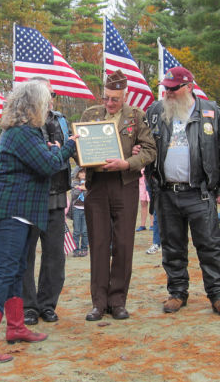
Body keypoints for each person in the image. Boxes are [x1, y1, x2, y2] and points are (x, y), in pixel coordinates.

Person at [0, 80, 77, 363]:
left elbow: (43, 160)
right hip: (12, 211)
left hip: (24, 212)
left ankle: (16, 327)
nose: (50, 105)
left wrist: (55, 151)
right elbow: (47, 165)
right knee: (6, 272)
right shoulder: (21, 133)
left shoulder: (23, 133)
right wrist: (68, 147)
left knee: (17, 270)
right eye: (47, 101)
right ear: (34, 105)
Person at [146, 66, 220, 316]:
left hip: (200, 192)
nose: (168, 93)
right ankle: (177, 292)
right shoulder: (155, 112)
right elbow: (144, 148)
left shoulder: (211, 112)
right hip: (166, 192)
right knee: (172, 246)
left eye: (173, 89)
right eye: (165, 88)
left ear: (189, 87)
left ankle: (218, 295)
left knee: (210, 246)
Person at [80, 69, 156, 321]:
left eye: (115, 98)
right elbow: (78, 148)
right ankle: (98, 303)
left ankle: (118, 300)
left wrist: (129, 163)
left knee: (123, 244)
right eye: (106, 98)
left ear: (125, 96)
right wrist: (82, 158)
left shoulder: (137, 116)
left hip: (125, 184)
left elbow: (149, 149)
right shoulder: (90, 115)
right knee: (99, 243)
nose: (109, 103)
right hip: (97, 185)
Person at [21, 76, 74, 326]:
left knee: (55, 256)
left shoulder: (61, 120)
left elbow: (75, 149)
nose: (52, 99)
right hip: (30, 198)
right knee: (26, 256)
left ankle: (47, 304)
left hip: (56, 196)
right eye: (47, 94)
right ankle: (28, 306)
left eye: (53, 94)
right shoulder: (20, 121)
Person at [70, 166, 88, 257]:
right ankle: (75, 249)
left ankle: (84, 248)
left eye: (84, 173)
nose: (83, 174)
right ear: (77, 174)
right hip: (76, 209)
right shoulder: (74, 183)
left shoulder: (89, 183)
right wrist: (81, 188)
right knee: (76, 231)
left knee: (85, 231)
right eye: (81, 172)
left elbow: (87, 194)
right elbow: (74, 195)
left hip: (86, 209)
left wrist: (82, 188)